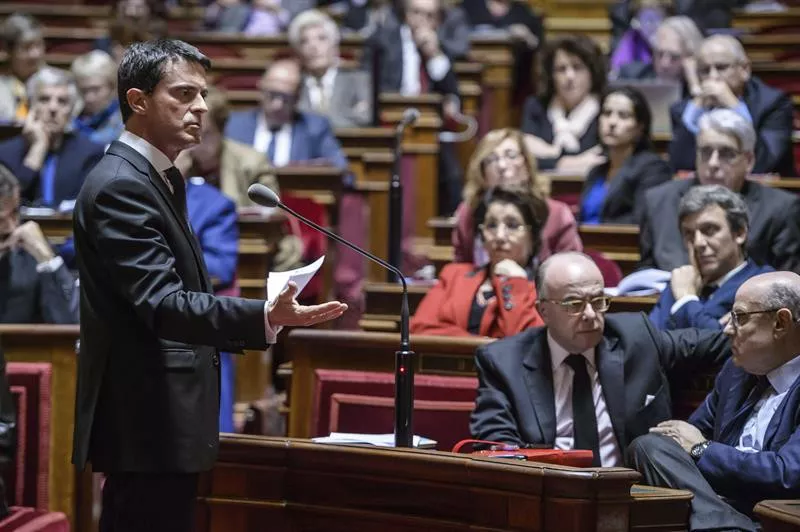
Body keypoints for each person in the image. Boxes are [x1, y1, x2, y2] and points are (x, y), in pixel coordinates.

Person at [71, 39, 347, 532]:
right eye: (183, 94)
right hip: (147, 422)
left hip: (160, 422)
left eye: (202, 94)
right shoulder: (122, 185)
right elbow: (162, 303)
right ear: (138, 101)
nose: (200, 107)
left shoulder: (155, 178)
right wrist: (262, 316)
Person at [470, 251, 730, 466]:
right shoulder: (503, 362)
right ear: (544, 311)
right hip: (545, 496)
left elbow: (720, 343)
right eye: (574, 304)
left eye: (598, 301)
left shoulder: (638, 338)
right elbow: (496, 447)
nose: (591, 315)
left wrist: (746, 322)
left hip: (634, 496)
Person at [629, 271, 800, 532]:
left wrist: (702, 449)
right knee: (650, 447)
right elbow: (681, 441)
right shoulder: (736, 373)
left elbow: (787, 475)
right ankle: (729, 527)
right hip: (716, 504)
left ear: (781, 322)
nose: (727, 329)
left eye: (740, 318)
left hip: (775, 518)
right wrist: (692, 447)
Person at [639, 109, 800, 273]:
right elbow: (645, 275)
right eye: (706, 152)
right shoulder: (658, 201)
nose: (713, 163)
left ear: (749, 161)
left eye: (727, 153)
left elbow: (787, 284)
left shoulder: (780, 209)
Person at [174, 87, 302, 272]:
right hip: (197, 250)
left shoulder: (252, 162)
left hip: (248, 248)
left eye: (206, 133)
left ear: (222, 131)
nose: (196, 141)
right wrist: (177, 177)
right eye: (191, 130)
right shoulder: (178, 162)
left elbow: (272, 214)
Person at [411, 187, 544, 337]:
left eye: (512, 225)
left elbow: (527, 342)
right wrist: (482, 346)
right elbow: (420, 328)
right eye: (491, 225)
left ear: (532, 236)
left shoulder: (544, 290)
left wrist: (514, 283)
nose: (499, 236)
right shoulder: (454, 275)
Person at [649, 185, 774, 330]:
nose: (697, 243)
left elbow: (723, 346)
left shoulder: (761, 284)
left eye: (709, 230)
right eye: (689, 234)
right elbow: (651, 339)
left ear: (740, 233)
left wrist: (686, 300)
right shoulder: (681, 280)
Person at [453, 128, 582, 266]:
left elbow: (572, 271)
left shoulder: (557, 214)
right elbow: (462, 271)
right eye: (491, 159)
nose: (502, 166)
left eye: (511, 155)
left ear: (527, 166)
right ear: (482, 172)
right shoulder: (467, 213)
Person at [669, 35, 795, 176]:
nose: (713, 77)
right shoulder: (684, 110)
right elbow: (679, 164)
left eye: (721, 68)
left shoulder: (774, 104)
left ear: (744, 70)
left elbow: (763, 163)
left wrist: (734, 106)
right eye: (705, 70)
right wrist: (694, 112)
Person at [0, 68, 105, 208]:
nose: (53, 108)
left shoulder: (90, 153)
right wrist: (37, 149)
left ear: (71, 110)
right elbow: (6, 206)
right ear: (31, 105)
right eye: (44, 99)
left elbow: (89, 208)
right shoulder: (5, 153)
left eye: (62, 101)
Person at [224, 58, 348, 170]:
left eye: (286, 98)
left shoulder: (315, 128)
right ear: (260, 91)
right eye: (272, 95)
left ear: (297, 98)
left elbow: (341, 171)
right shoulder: (234, 126)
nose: (278, 105)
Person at [580, 86, 672, 225]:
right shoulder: (596, 172)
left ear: (640, 127)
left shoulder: (653, 169)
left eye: (623, 115)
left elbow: (643, 220)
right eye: (607, 113)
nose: (612, 122)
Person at [0, 164, 78, 324]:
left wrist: (48, 259)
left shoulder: (31, 250)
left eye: (15, 212)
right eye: (0, 220)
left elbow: (70, 324)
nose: (12, 226)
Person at [521, 35, 606, 172]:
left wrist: (548, 152)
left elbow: (604, 160)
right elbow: (525, 159)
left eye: (577, 68)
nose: (569, 76)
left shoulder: (606, 108)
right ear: (551, 76)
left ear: (592, 73)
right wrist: (571, 162)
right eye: (561, 69)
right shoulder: (537, 106)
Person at [289, 9, 372, 128]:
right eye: (304, 41)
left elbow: (366, 118)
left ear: (334, 46)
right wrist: (345, 115)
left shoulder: (359, 80)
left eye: (321, 38)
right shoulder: (294, 85)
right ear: (298, 52)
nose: (313, 46)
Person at [617, 15, 703, 98]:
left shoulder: (699, 83)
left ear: (690, 57)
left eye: (674, 57)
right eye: (660, 54)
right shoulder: (632, 76)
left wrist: (694, 84)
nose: (664, 64)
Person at [71, 50, 125, 145]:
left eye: (95, 89)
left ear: (112, 86)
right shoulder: (72, 118)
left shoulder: (125, 122)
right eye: (84, 90)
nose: (89, 98)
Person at [0, 14, 46, 123]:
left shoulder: (60, 83)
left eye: (39, 45)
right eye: (27, 47)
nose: (35, 54)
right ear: (9, 51)